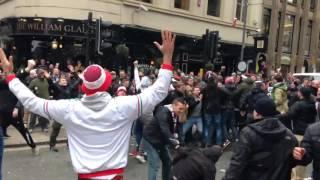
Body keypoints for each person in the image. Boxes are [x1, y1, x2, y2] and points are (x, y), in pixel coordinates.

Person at [0, 30, 175, 180]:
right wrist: (167, 57)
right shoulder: (124, 106)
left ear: (84, 87)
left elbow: (32, 102)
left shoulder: (70, 109)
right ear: (107, 84)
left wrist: (10, 76)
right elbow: (159, 91)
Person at [223, 97, 298, 180]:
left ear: (257, 113)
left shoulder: (248, 133)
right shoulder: (288, 134)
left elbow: (238, 161)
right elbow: (294, 160)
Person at [142, 97, 187, 180]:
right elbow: (165, 130)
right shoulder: (163, 112)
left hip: (161, 140)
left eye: (183, 109)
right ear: (174, 105)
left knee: (168, 162)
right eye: (180, 108)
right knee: (154, 165)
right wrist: (176, 145)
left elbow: (180, 129)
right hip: (151, 139)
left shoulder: (177, 114)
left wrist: (182, 144)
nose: (181, 111)